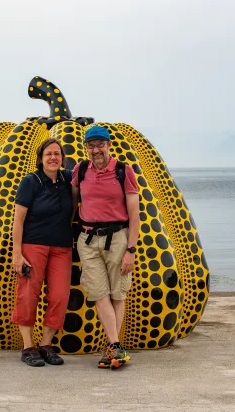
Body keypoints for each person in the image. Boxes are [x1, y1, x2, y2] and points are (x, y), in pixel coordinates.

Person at [71, 125, 140, 369]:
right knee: (99, 293)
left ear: (109, 144)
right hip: (88, 239)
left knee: (117, 294)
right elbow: (72, 203)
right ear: (86, 148)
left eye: (100, 144)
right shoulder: (80, 171)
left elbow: (135, 214)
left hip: (118, 238)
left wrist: (131, 250)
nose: (96, 149)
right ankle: (116, 346)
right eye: (91, 145)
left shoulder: (124, 171)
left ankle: (113, 347)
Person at [11, 138, 73, 367]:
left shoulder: (67, 180)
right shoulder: (31, 182)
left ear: (63, 158)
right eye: (49, 154)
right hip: (33, 245)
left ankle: (46, 344)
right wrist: (17, 253)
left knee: (59, 296)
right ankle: (28, 347)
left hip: (61, 247)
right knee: (28, 295)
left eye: (57, 154)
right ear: (41, 158)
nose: (53, 157)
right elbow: (18, 220)